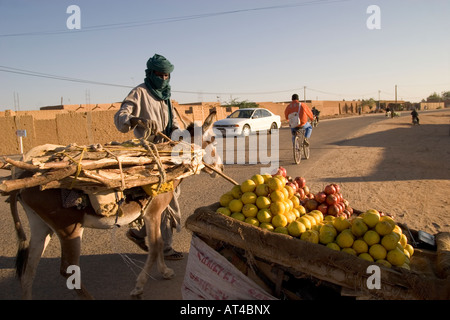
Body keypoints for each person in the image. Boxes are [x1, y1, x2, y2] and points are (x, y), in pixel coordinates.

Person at [114, 53, 184, 260]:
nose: (163, 79)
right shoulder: (139, 93)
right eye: (159, 75)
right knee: (164, 201)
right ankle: (165, 248)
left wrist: (176, 133)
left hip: (168, 153)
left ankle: (142, 234)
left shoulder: (167, 96)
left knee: (168, 197)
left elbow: (175, 122)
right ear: (150, 73)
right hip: (148, 154)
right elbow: (121, 118)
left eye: (166, 75)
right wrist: (137, 120)